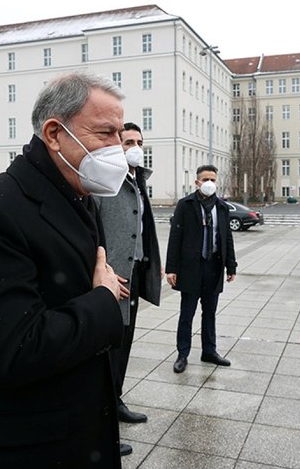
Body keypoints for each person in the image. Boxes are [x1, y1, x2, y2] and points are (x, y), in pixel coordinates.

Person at [0, 72, 130, 469]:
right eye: (106, 134)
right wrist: (103, 300)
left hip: (71, 436)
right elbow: (16, 350)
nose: (119, 149)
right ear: (55, 134)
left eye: (121, 135)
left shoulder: (77, 194)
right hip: (21, 451)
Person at [92, 122, 161, 445]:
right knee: (106, 353)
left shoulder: (138, 180)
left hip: (133, 278)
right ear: (117, 145)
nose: (134, 146)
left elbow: (144, 227)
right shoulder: (105, 182)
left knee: (124, 347)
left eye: (139, 142)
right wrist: (103, 269)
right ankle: (101, 426)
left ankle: (115, 401)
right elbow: (93, 232)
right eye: (128, 141)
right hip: (112, 280)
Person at [166, 165, 237, 374]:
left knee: (210, 313)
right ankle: (182, 354)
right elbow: (175, 238)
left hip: (213, 267)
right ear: (197, 182)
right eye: (205, 179)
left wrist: (231, 266)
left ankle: (209, 351)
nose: (209, 183)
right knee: (187, 314)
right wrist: (171, 268)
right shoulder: (185, 205)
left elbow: (227, 238)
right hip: (190, 268)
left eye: (213, 179)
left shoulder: (222, 207)